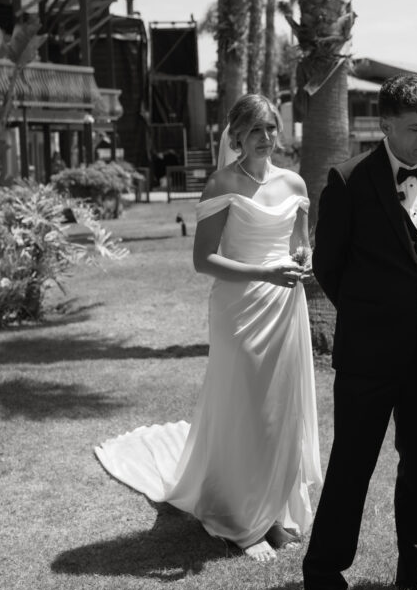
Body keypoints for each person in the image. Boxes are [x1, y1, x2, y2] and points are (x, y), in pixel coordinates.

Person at [95, 94, 322, 563]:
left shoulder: (294, 182)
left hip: (286, 307)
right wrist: (265, 274)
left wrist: (303, 260)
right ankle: (240, 522)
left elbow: (302, 244)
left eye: (271, 129)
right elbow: (204, 260)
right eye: (255, 130)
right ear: (236, 135)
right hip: (241, 310)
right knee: (245, 408)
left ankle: (273, 514)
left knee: (281, 411)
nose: (264, 138)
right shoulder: (221, 183)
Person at [302, 74, 417, 590]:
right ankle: (325, 583)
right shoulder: (348, 181)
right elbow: (329, 266)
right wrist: (376, 314)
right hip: (369, 357)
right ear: (386, 126)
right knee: (352, 468)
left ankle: (416, 571)